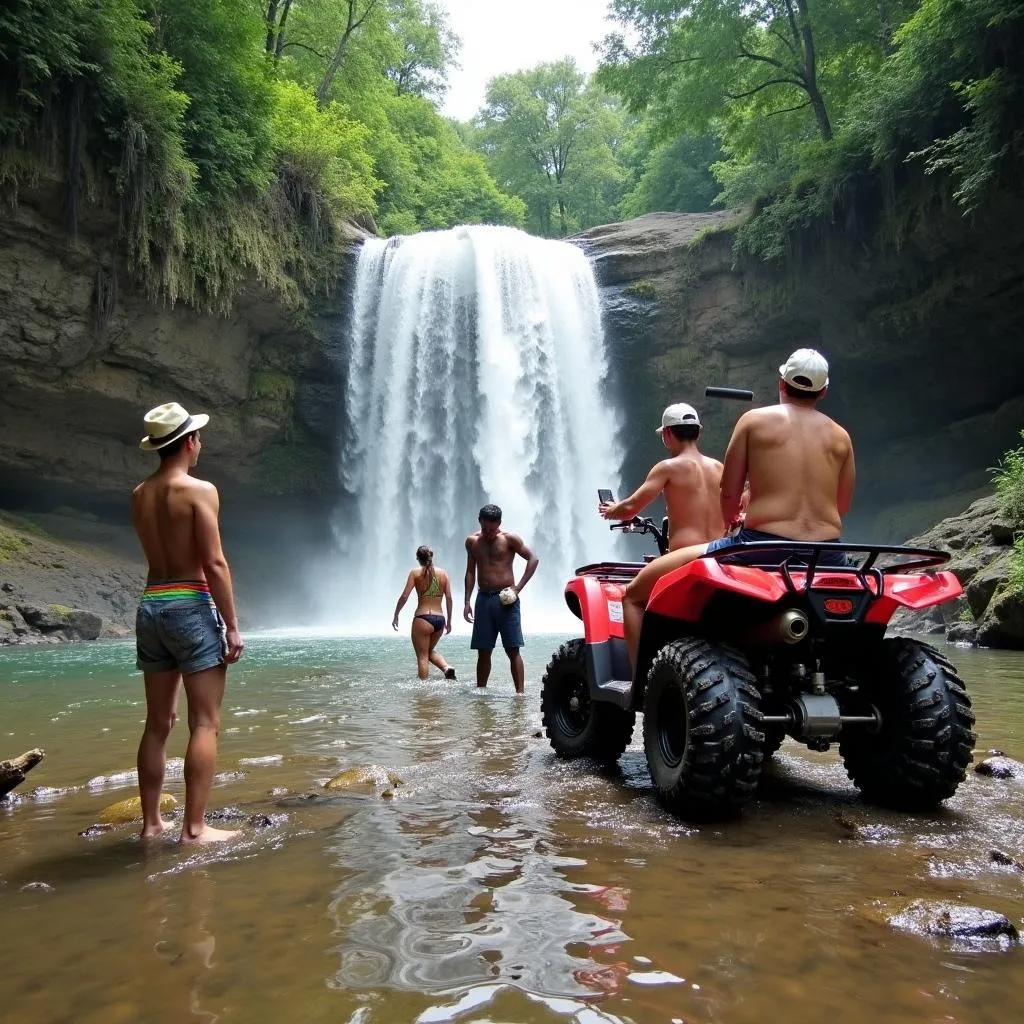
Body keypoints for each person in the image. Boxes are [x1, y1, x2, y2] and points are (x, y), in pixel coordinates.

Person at [624, 349, 856, 670]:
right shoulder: (842, 437)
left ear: (781, 383)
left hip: (760, 549)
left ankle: (642, 688)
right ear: (824, 391)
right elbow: (841, 505)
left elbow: (730, 493)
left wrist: (735, 519)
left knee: (634, 594)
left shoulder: (753, 421)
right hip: (828, 555)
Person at [131, 402, 244, 844]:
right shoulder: (200, 491)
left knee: (158, 723)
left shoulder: (139, 494)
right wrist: (232, 625)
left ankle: (150, 825)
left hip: (151, 606)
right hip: (190, 604)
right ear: (190, 442)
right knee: (205, 722)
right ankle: (195, 829)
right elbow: (213, 562)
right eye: (199, 437)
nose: (201, 444)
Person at [601, 402, 730, 672]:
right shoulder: (719, 468)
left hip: (686, 557)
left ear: (668, 434)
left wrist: (612, 510)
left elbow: (632, 506)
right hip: (723, 554)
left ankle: (640, 679)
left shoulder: (668, 467)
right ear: (698, 432)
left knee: (630, 597)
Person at [463, 504, 539, 694]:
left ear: (499, 524)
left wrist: (518, 588)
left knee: (512, 649)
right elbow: (470, 572)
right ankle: (481, 692)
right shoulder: (472, 542)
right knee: (483, 650)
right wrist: (466, 602)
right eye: (484, 528)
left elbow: (533, 558)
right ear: (479, 521)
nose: (488, 532)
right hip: (483, 599)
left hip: (506, 599)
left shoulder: (509, 539)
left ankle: (520, 694)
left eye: (492, 528)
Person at [392, 545, 457, 681]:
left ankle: (423, 691)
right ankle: (446, 668)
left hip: (423, 618)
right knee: (427, 651)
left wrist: (396, 614)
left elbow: (404, 596)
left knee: (422, 657)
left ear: (417, 558)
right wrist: (449, 621)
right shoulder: (443, 573)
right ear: (431, 556)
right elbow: (449, 598)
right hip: (440, 619)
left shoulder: (415, 573)